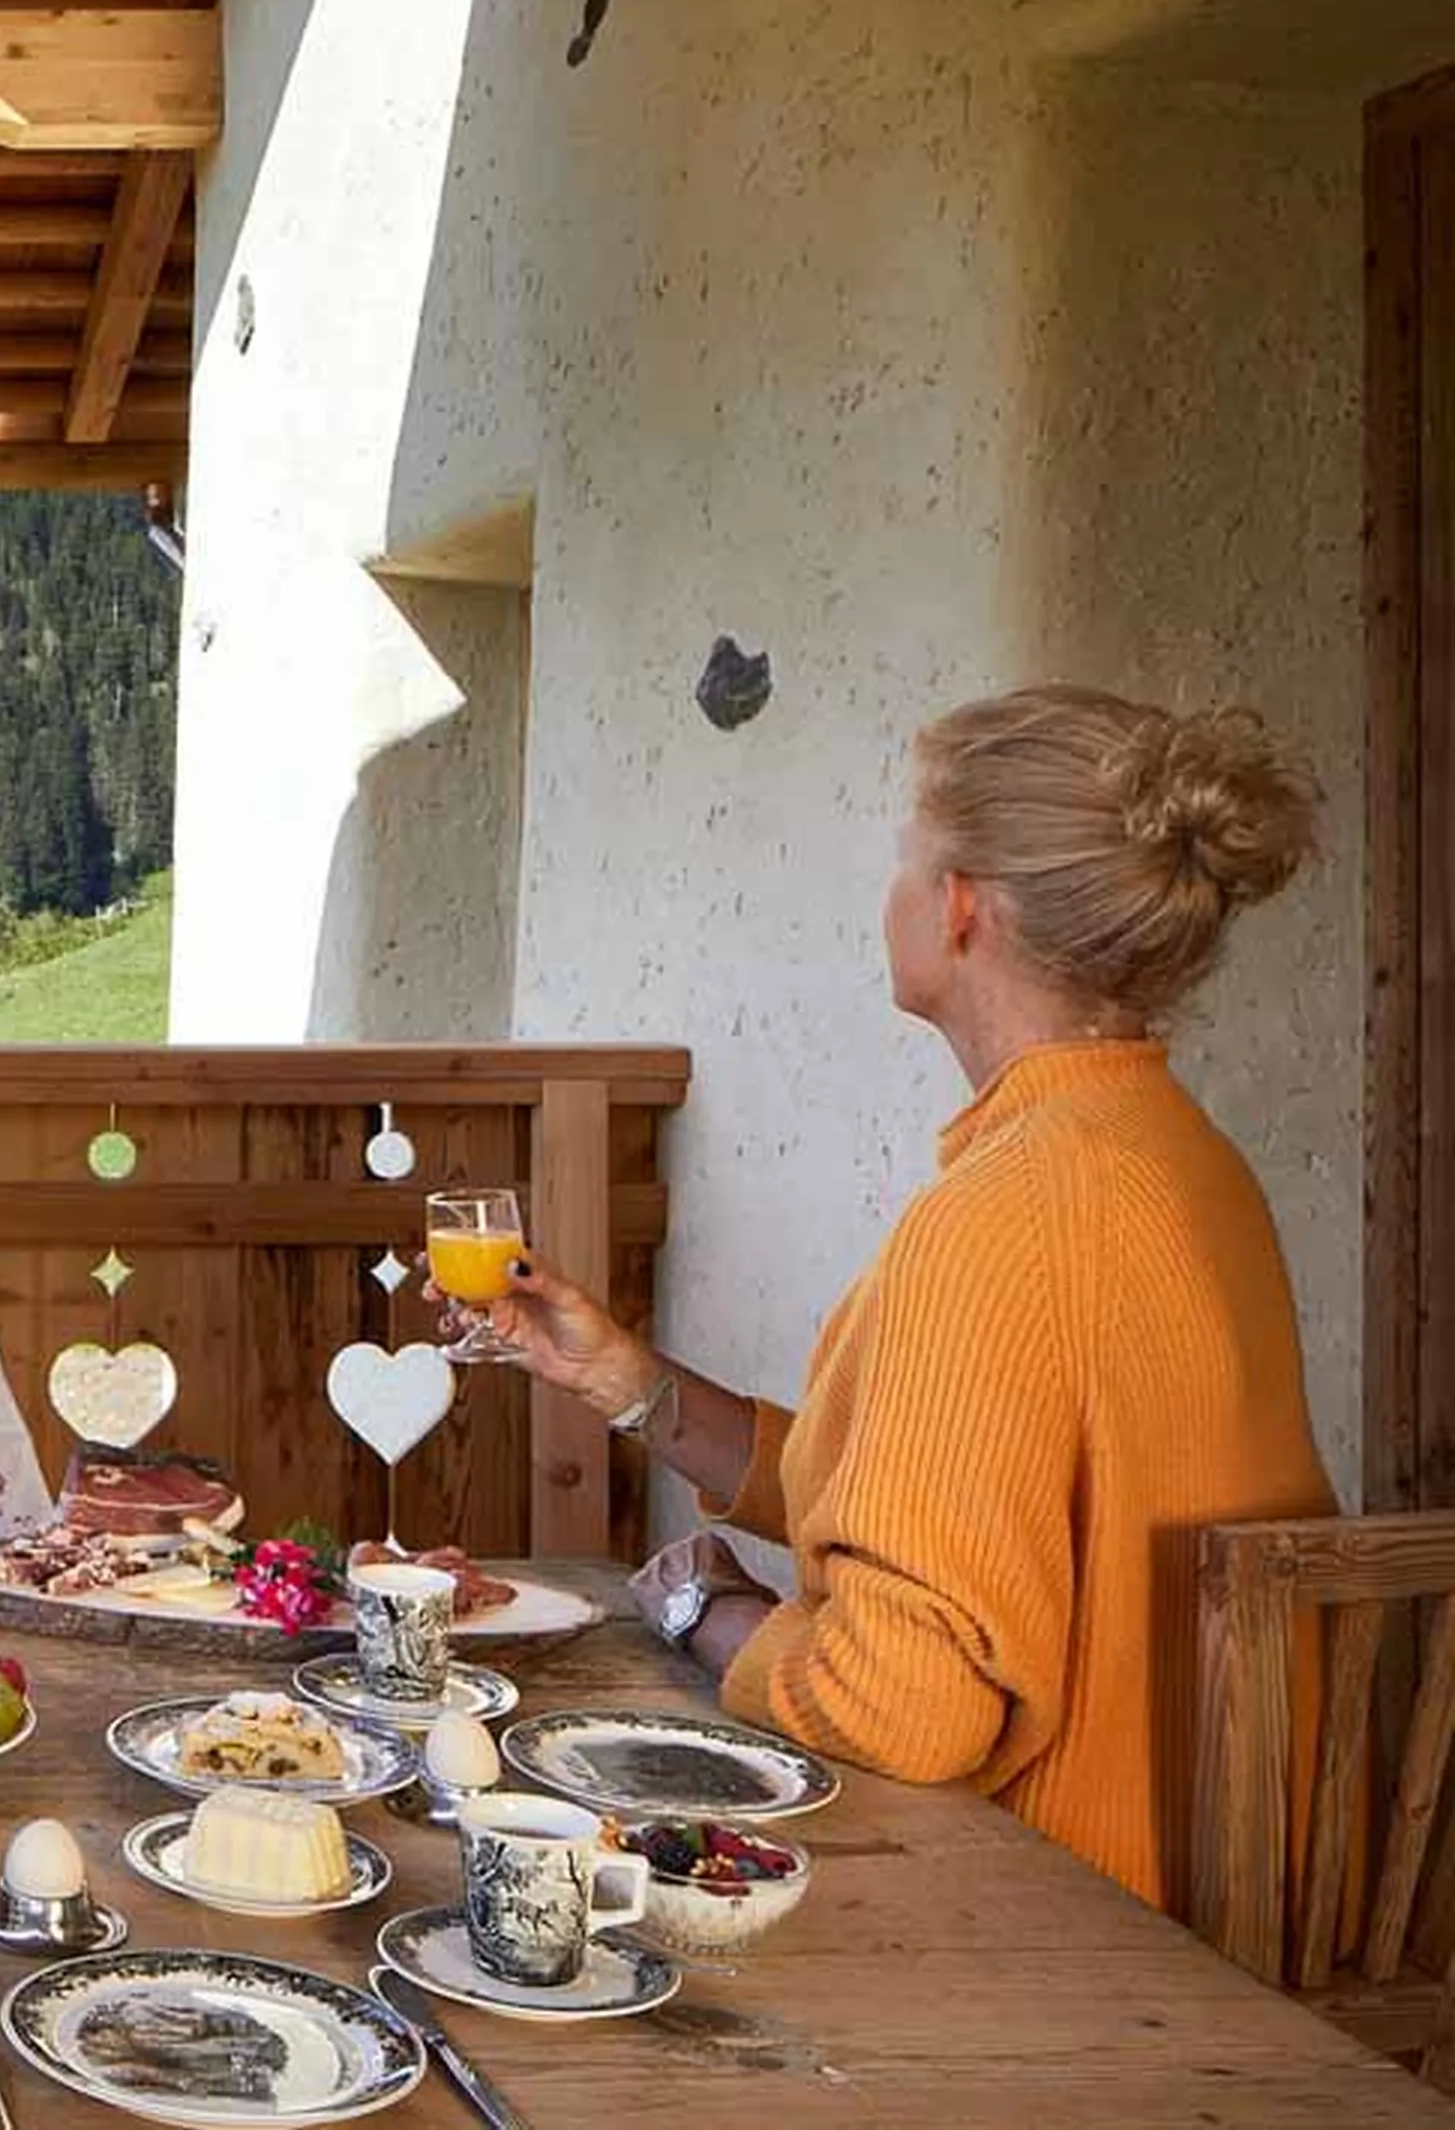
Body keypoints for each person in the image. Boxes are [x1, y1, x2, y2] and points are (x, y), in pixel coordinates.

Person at [461, 685, 1334, 1914]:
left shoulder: (1000, 1218)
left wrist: (709, 1612)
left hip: (1063, 1919)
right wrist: (631, 1384)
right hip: (1227, 1891)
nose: (891, 894)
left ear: (961, 907)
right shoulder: (1176, 1158)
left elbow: (898, 1708)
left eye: (904, 859)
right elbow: (950, 1508)